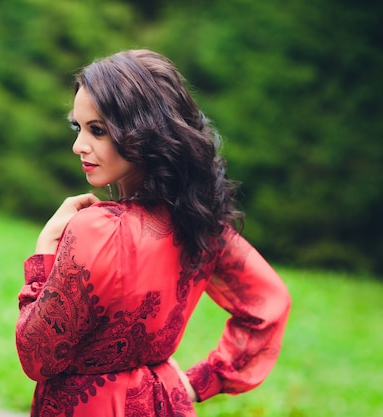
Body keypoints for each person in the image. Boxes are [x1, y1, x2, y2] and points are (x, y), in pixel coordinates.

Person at [15, 49, 291, 417]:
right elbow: (269, 303)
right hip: (164, 404)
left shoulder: (95, 230)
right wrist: (200, 382)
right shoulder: (202, 224)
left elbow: (38, 357)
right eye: (77, 127)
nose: (78, 145)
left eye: (97, 130)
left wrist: (45, 250)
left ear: (142, 133)